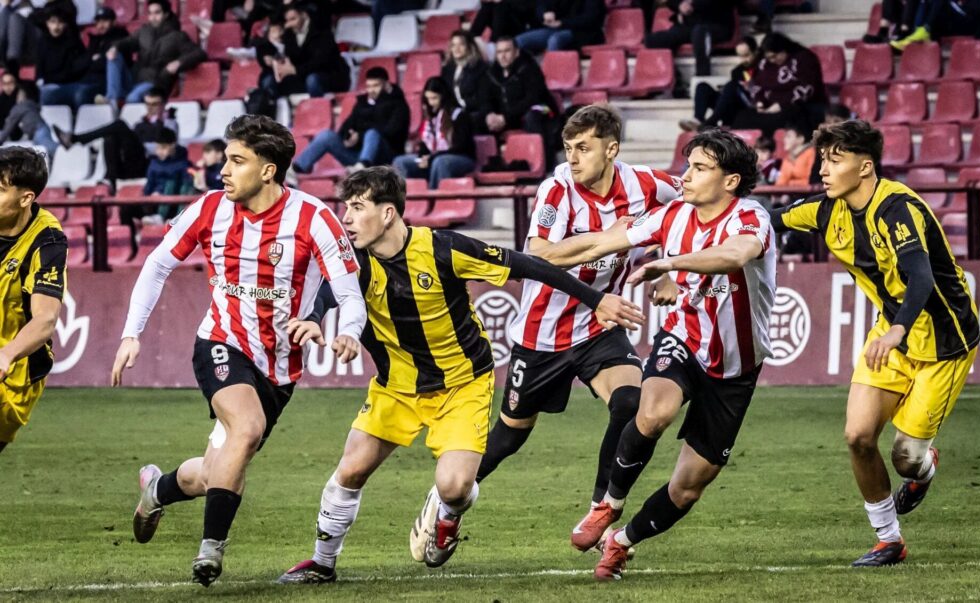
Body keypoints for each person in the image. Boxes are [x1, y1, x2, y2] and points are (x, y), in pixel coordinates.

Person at [276, 166, 646, 583]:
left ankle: (448, 516)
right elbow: (328, 293)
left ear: (388, 213)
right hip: (396, 388)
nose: (346, 217)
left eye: (357, 207)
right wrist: (312, 319)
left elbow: (529, 266)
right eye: (346, 207)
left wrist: (596, 300)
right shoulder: (353, 260)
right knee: (350, 469)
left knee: (453, 487)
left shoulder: (444, 248)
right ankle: (321, 563)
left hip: (462, 385)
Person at [110, 114, 367, 587]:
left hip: (280, 367)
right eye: (225, 160)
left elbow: (350, 294)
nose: (223, 170)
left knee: (215, 472)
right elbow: (157, 265)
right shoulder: (209, 208)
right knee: (246, 428)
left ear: (268, 170)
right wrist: (131, 333)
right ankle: (210, 549)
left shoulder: (314, 218)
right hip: (221, 341)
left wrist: (348, 331)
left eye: (236, 161)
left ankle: (157, 489)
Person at [531, 129, 775, 581]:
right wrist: (535, 256)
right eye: (688, 165)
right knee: (653, 411)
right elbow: (599, 243)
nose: (686, 175)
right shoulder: (671, 214)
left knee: (688, 487)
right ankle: (608, 504)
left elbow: (734, 255)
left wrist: (669, 264)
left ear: (731, 181)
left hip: (736, 366)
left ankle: (621, 542)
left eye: (700, 168)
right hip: (683, 338)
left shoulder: (750, 217)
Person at [771, 120, 979, 567]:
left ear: (865, 167)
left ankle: (923, 467)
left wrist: (899, 329)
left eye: (835, 160)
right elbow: (766, 219)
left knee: (906, 459)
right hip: (891, 334)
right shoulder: (825, 210)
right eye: (822, 159)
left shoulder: (897, 208)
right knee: (858, 436)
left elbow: (920, 277)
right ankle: (889, 540)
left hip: (944, 341)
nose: (823, 170)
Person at [472, 105, 682, 547]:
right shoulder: (557, 189)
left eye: (584, 148)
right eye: (568, 147)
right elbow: (539, 254)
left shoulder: (647, 184)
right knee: (509, 436)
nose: (573, 157)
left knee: (630, 403)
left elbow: (689, 210)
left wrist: (668, 268)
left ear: (612, 149)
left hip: (599, 326)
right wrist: (610, 239)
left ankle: (600, 509)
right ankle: (447, 500)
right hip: (542, 330)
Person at [0, 147, 67, 455]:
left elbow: (45, 319)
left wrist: (6, 355)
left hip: (15, 371)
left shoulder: (47, 240)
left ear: (25, 198)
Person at [292, 67, 409, 174]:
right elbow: (346, 126)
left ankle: (362, 167)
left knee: (372, 133)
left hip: (385, 159)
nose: (371, 90)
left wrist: (360, 136)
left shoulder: (399, 105)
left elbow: (392, 133)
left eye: (376, 86)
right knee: (326, 135)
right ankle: (297, 169)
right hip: (357, 156)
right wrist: (348, 138)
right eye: (368, 86)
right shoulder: (362, 103)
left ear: (386, 85)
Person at [55, 88, 178, 189]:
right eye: (147, 104)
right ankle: (110, 179)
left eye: (154, 104)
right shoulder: (141, 123)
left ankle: (76, 139)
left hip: (149, 165)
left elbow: (167, 148)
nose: (150, 108)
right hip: (130, 165)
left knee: (120, 125)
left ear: (163, 104)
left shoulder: (169, 123)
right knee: (110, 137)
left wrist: (142, 144)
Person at [477, 37, 560, 169]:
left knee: (532, 116)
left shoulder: (529, 68)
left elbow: (533, 99)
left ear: (516, 52)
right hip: (509, 116)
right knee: (476, 119)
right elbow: (485, 99)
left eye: (507, 51)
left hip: (544, 110)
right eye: (499, 52)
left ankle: (545, 165)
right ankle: (489, 166)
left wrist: (506, 117)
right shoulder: (491, 73)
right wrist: (489, 115)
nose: (503, 56)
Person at [104, 0, 206, 104]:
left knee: (132, 98)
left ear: (166, 14)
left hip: (156, 83)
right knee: (114, 56)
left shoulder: (177, 36)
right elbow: (127, 42)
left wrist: (178, 63)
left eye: (157, 13)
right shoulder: (143, 32)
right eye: (150, 13)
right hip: (135, 79)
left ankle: (118, 103)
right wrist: (115, 47)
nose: (153, 17)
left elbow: (199, 53)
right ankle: (112, 99)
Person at [733, 33, 827, 137]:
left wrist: (781, 105)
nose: (772, 60)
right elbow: (758, 86)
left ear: (783, 49)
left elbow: (807, 89)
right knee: (741, 117)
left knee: (786, 116)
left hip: (799, 106)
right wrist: (760, 103)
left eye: (774, 56)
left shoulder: (805, 58)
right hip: (769, 108)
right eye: (769, 58)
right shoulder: (766, 63)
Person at [392, 77, 476, 189]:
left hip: (460, 157)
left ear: (443, 97)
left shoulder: (459, 115)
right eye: (428, 99)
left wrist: (432, 157)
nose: (430, 103)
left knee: (440, 162)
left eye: (434, 98)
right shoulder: (431, 117)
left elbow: (461, 146)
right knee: (400, 161)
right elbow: (426, 144)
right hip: (434, 158)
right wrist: (423, 156)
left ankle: (435, 197)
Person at [266, 3, 350, 98]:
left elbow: (321, 61)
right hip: (302, 75)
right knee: (271, 81)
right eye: (287, 21)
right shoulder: (289, 34)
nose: (290, 24)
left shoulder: (321, 30)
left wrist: (295, 70)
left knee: (312, 80)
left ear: (304, 15)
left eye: (293, 19)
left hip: (329, 75)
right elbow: (289, 55)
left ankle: (318, 106)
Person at [681, 36, 759, 131]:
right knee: (702, 87)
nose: (744, 60)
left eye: (746, 55)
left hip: (750, 108)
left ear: (755, 52)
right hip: (733, 108)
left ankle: (711, 122)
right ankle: (698, 120)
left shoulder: (763, 68)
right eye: (740, 56)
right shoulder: (737, 71)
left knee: (731, 86)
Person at [643, 0, 737, 77]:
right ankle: (672, 76)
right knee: (652, 40)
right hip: (690, 26)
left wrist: (693, 5)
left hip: (718, 25)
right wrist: (680, 5)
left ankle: (702, 77)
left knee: (699, 32)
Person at [36, 8, 97, 110]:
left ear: (65, 24)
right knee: (47, 94)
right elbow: (40, 70)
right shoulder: (42, 42)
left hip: (72, 84)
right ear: (47, 24)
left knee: (81, 94)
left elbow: (79, 66)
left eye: (60, 22)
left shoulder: (72, 41)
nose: (56, 26)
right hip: (51, 85)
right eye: (53, 22)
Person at [138, 127, 190, 224]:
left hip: (173, 201)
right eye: (157, 148)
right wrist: (148, 197)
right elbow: (150, 184)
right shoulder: (154, 163)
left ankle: (166, 218)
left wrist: (160, 193)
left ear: (173, 145)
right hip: (155, 200)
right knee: (128, 208)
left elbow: (183, 187)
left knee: (172, 184)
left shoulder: (183, 164)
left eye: (163, 148)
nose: (159, 152)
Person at [514, 0, 605, 53]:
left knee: (555, 40)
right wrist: (544, 13)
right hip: (556, 28)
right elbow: (541, 5)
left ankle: (552, 77)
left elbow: (591, 18)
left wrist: (562, 23)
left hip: (583, 32)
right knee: (518, 41)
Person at [440, 30, 487, 125]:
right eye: (453, 45)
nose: (456, 48)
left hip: (474, 115)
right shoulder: (447, 69)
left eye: (461, 44)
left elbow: (482, 100)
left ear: (469, 47)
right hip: (455, 114)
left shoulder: (480, 68)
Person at [83, 7, 130, 102]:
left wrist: (98, 58)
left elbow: (122, 61)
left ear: (113, 22)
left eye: (104, 21)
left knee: (114, 56)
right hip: (97, 80)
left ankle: (112, 99)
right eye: (98, 22)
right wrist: (99, 59)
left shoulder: (121, 36)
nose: (101, 25)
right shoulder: (95, 40)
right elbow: (87, 63)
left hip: (122, 81)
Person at [0, 82, 59, 157]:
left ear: (23, 95)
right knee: (47, 152)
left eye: (18, 94)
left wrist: (1, 140)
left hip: (38, 131)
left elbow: (8, 127)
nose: (16, 96)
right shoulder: (31, 104)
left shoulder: (19, 107)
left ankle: (68, 150)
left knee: (51, 149)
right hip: (42, 129)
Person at [468, 0, 536, 40]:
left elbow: (527, 7)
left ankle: (495, 43)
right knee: (488, 6)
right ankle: (470, 39)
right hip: (501, 21)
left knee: (500, 6)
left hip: (522, 24)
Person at [775, 122, 815, 186]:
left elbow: (811, 181)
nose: (784, 139)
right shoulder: (787, 158)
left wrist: (790, 183)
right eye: (784, 137)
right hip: (790, 191)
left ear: (800, 139)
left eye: (788, 136)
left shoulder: (811, 153)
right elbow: (780, 183)